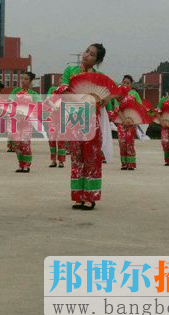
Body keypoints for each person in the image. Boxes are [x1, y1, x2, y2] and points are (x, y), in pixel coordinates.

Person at [59, 43, 115, 210]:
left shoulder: (99, 78)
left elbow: (111, 94)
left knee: (92, 157)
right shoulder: (70, 71)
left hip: (92, 120)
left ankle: (90, 196)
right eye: (86, 51)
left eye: (91, 54)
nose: (86, 55)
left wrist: (105, 99)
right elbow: (63, 91)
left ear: (97, 60)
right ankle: (78, 196)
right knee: (76, 157)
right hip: (75, 118)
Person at [9, 72, 42, 173]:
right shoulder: (15, 91)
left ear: (31, 81)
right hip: (16, 121)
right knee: (16, 143)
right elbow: (10, 102)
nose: (23, 80)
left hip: (27, 122)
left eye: (26, 79)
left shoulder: (33, 94)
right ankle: (20, 163)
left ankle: (26, 165)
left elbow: (39, 105)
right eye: (22, 78)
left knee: (25, 142)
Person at [116, 75, 142, 170]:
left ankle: (131, 164)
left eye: (128, 83)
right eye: (124, 82)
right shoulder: (118, 93)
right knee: (122, 142)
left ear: (131, 85)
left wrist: (131, 119)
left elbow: (140, 107)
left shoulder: (134, 94)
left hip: (132, 121)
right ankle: (124, 164)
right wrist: (124, 120)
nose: (125, 84)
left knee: (130, 142)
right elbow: (117, 109)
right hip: (121, 121)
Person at [46, 77, 66, 168]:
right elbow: (47, 101)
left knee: (61, 139)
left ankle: (61, 161)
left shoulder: (68, 92)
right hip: (53, 117)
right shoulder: (54, 91)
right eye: (60, 79)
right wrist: (53, 106)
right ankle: (53, 160)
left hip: (63, 118)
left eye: (63, 79)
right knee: (52, 138)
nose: (61, 80)